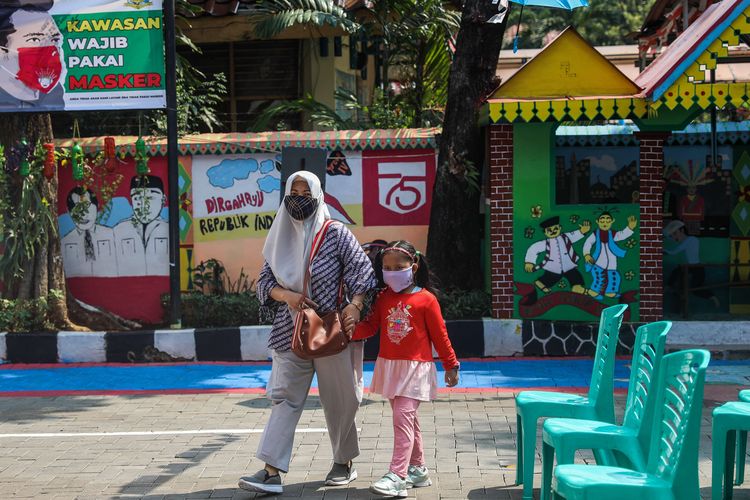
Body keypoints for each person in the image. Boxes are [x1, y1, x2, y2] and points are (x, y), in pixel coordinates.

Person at [239, 171, 378, 495]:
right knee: (284, 399)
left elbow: (362, 272)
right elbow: (265, 283)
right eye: (294, 191)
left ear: (318, 195)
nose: (299, 197)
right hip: (290, 330)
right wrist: (288, 296)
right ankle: (271, 472)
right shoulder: (280, 235)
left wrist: (355, 306)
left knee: (341, 400)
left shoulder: (336, 233)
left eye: (306, 191)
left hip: (332, 332)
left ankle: (343, 462)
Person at [352, 240, 459, 498]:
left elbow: (440, 336)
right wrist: (346, 331)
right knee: (408, 420)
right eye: (387, 267)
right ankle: (418, 470)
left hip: (416, 369)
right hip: (390, 366)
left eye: (398, 267)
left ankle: (398, 476)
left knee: (402, 419)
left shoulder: (426, 299)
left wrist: (451, 364)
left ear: (414, 265)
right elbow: (371, 326)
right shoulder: (383, 297)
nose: (392, 272)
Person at [0, 1, 65, 110]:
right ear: (3, 50)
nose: (50, 49)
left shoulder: (54, 97)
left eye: (54, 39)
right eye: (35, 39)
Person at [112, 175, 169, 276]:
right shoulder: (118, 231)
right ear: (131, 201)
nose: (144, 204)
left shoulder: (168, 229)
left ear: (163, 200)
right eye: (137, 197)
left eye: (151, 197)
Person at [524, 216, 590, 295]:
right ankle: (541, 282)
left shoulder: (566, 237)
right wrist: (529, 262)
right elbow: (533, 248)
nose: (553, 231)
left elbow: (574, 235)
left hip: (568, 265)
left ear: (560, 228)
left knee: (575, 276)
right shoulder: (546, 243)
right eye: (549, 230)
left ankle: (577, 288)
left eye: (555, 228)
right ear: (545, 232)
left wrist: (582, 231)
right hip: (553, 267)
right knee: (553, 277)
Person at [61, 187, 117, 277]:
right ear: (69, 211)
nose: (83, 214)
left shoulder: (112, 235)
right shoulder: (64, 242)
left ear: (97, 206)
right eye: (77, 207)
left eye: (86, 205)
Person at [664, 219, 719, 309]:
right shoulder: (689, 240)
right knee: (677, 273)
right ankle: (670, 288)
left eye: (675, 234)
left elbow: (674, 252)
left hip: (696, 267)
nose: (674, 238)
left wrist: (664, 251)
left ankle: (712, 297)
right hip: (691, 267)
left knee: (696, 288)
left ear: (682, 230)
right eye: (672, 235)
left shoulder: (691, 240)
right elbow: (673, 241)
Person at [583, 211, 637, 299]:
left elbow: (622, 235)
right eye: (602, 221)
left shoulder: (612, 234)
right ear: (597, 221)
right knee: (598, 277)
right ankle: (594, 292)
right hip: (598, 261)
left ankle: (610, 292)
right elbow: (588, 243)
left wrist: (630, 227)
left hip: (612, 262)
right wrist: (587, 254)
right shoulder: (595, 234)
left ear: (612, 221)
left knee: (614, 276)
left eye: (608, 221)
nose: (605, 223)